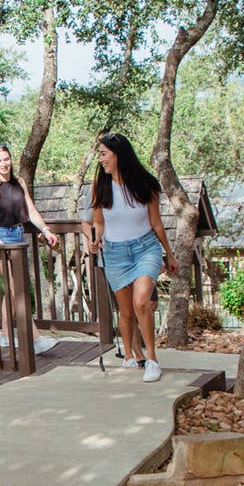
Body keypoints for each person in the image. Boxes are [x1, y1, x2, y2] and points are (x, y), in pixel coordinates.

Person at [87, 132, 177, 382]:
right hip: (115, 253)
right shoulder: (100, 186)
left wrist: (169, 254)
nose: (101, 159)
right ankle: (132, 355)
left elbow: (156, 223)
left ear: (118, 155)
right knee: (126, 312)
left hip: (145, 248)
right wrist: (96, 239)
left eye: (104, 154)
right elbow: (98, 221)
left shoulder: (146, 184)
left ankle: (152, 361)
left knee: (141, 302)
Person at [0, 143, 60, 356]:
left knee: (12, 290)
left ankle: (6, 335)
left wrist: (45, 229)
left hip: (18, 235)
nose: (4, 164)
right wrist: (0, 244)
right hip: (0, 239)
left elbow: (31, 211)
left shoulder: (19, 182)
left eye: (6, 159)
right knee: (17, 290)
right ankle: (35, 339)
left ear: (11, 159)